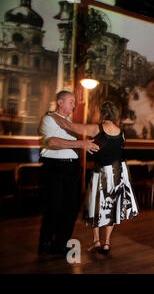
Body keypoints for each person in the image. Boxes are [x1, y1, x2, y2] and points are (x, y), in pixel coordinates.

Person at [50, 101, 139, 255]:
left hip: (102, 173)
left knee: (95, 206)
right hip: (118, 172)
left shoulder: (96, 128)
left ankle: (97, 241)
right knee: (112, 208)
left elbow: (70, 126)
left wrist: (52, 115)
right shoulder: (121, 131)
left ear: (102, 113)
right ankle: (106, 243)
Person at [38, 90, 100, 256]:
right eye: (71, 101)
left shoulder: (68, 121)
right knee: (53, 207)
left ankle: (60, 244)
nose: (74, 105)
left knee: (71, 208)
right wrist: (81, 144)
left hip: (71, 168)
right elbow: (52, 142)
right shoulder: (49, 119)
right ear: (60, 102)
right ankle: (44, 245)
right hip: (55, 168)